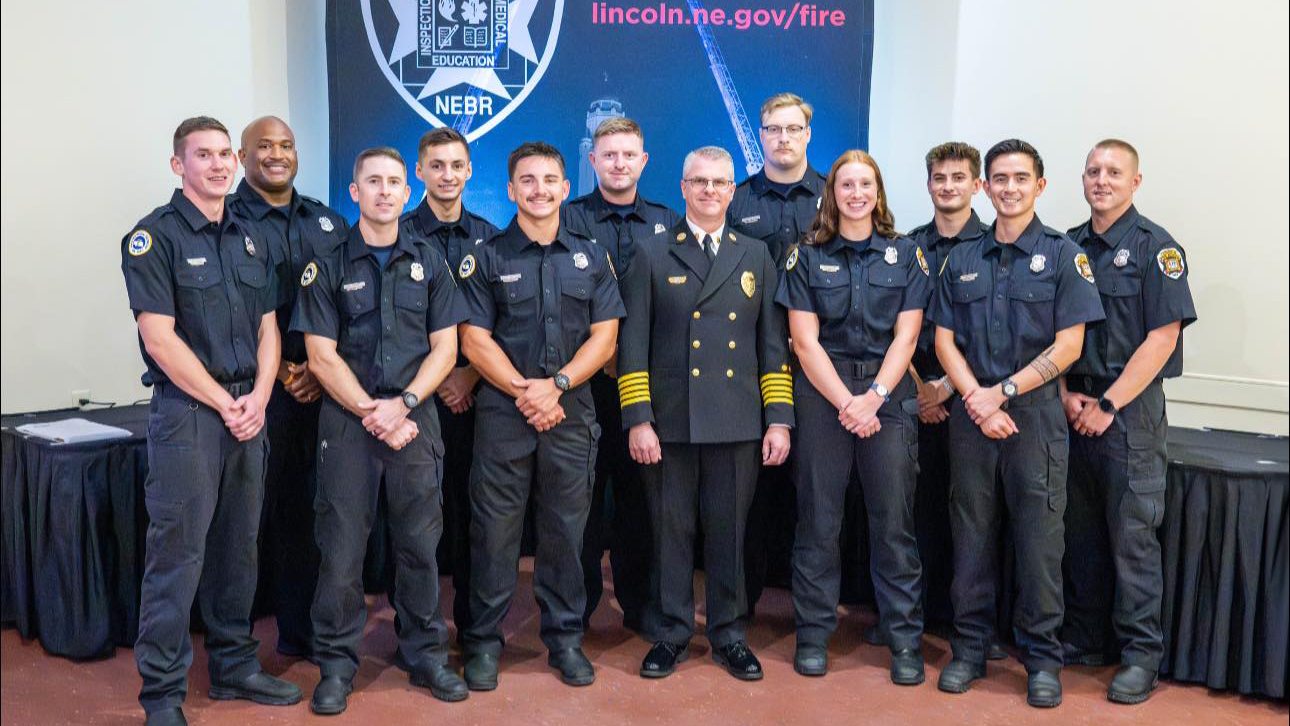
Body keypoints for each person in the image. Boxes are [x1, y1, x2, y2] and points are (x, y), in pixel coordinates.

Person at [121, 116, 300, 726]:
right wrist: (226, 403)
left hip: (250, 411)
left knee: (237, 548)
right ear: (179, 165)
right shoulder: (154, 237)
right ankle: (162, 694)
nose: (220, 164)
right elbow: (160, 338)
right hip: (190, 416)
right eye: (204, 155)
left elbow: (268, 329)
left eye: (226, 154)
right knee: (177, 557)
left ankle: (233, 667)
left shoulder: (252, 237)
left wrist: (261, 395)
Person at [929, 139, 1104, 708]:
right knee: (971, 539)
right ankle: (969, 650)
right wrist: (977, 400)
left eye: (1020, 178)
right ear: (985, 187)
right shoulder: (962, 258)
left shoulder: (1063, 256)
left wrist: (1001, 393)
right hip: (972, 417)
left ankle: (1042, 660)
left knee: (1039, 546)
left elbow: (1070, 345)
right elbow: (944, 341)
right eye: (999, 179)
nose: (1009, 188)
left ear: (1040, 186)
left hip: (1035, 419)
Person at [293, 147, 468, 713]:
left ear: (405, 191)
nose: (385, 191)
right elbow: (320, 356)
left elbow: (446, 349)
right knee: (341, 552)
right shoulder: (327, 264)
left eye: (394, 182)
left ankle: (426, 656)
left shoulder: (430, 262)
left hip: (416, 422)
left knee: (420, 548)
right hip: (349, 425)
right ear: (355, 192)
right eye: (373, 182)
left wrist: (405, 404)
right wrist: (375, 411)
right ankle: (336, 666)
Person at [619, 146, 792, 681]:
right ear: (683, 187)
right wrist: (639, 418)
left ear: (732, 190)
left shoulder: (755, 254)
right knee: (671, 532)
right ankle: (671, 632)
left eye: (719, 182)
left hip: (737, 419)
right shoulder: (652, 252)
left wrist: (779, 417)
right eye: (699, 181)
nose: (710, 190)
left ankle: (729, 634)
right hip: (671, 421)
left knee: (730, 533)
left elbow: (772, 345)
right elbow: (633, 345)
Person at [456, 142, 624, 690]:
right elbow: (473, 340)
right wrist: (525, 392)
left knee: (566, 534)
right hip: (504, 416)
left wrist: (557, 387)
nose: (539, 190)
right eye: (527, 180)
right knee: (493, 534)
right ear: (510, 190)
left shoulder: (591, 257)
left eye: (549, 180)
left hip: (570, 414)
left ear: (564, 188)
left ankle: (565, 640)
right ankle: (484, 642)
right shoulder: (486, 256)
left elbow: (605, 338)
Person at [776, 150, 930, 683]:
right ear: (832, 193)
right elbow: (804, 341)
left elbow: (907, 336)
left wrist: (875, 396)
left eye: (866, 184)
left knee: (894, 526)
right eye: (846, 184)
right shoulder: (805, 256)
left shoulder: (906, 254)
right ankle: (813, 635)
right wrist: (848, 401)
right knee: (818, 522)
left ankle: (904, 641)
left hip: (888, 393)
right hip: (825, 393)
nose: (856, 193)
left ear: (878, 192)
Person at [1060, 139, 1196, 704]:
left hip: (1129, 413)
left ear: (1135, 182)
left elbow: (1161, 339)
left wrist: (1109, 404)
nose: (1101, 180)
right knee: (1081, 535)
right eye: (1093, 170)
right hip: (1073, 408)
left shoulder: (1156, 249)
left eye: (1114, 172)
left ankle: (1141, 657)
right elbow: (1054, 329)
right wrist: (1065, 393)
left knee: (1133, 540)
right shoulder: (1066, 245)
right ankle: (1087, 639)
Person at [229, 115, 348, 658]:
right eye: (264, 146)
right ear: (242, 157)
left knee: (309, 514)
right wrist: (281, 373)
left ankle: (301, 633)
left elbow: (349, 305)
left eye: (286, 145)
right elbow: (230, 314)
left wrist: (320, 371)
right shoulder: (224, 221)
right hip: (254, 394)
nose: (277, 154)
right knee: (244, 518)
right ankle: (234, 647)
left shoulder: (327, 222)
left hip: (323, 389)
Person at [563, 116, 681, 634]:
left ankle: (642, 606)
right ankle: (577, 609)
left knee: (643, 503)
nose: (619, 163)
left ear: (644, 160)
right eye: (608, 155)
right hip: (581, 384)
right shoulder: (565, 219)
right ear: (592, 160)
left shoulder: (668, 222)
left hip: (645, 388)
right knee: (580, 503)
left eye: (629, 154)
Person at [900, 142, 1006, 661]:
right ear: (928, 185)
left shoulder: (993, 247)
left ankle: (972, 626)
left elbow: (996, 336)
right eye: (939, 178)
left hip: (973, 402)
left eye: (959, 177)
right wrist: (920, 389)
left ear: (977, 185)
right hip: (911, 399)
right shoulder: (906, 248)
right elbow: (891, 325)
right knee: (913, 514)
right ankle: (914, 617)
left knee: (974, 521)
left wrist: (947, 387)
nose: (948, 186)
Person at [727, 92, 827, 618]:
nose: (783, 138)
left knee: (817, 494)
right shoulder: (736, 200)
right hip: (749, 367)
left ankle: (813, 612)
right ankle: (739, 609)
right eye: (773, 129)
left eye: (792, 129)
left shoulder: (837, 196)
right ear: (760, 135)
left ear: (808, 134)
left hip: (822, 368)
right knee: (750, 494)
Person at [399, 127, 499, 638]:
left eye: (456, 165)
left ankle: (473, 627)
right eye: (436, 165)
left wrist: (468, 375)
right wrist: (436, 380)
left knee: (473, 513)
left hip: (476, 396)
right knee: (414, 518)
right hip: (414, 398)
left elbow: (506, 321)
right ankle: (416, 627)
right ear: (419, 171)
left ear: (469, 171)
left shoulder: (491, 238)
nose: (447, 175)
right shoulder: (395, 234)